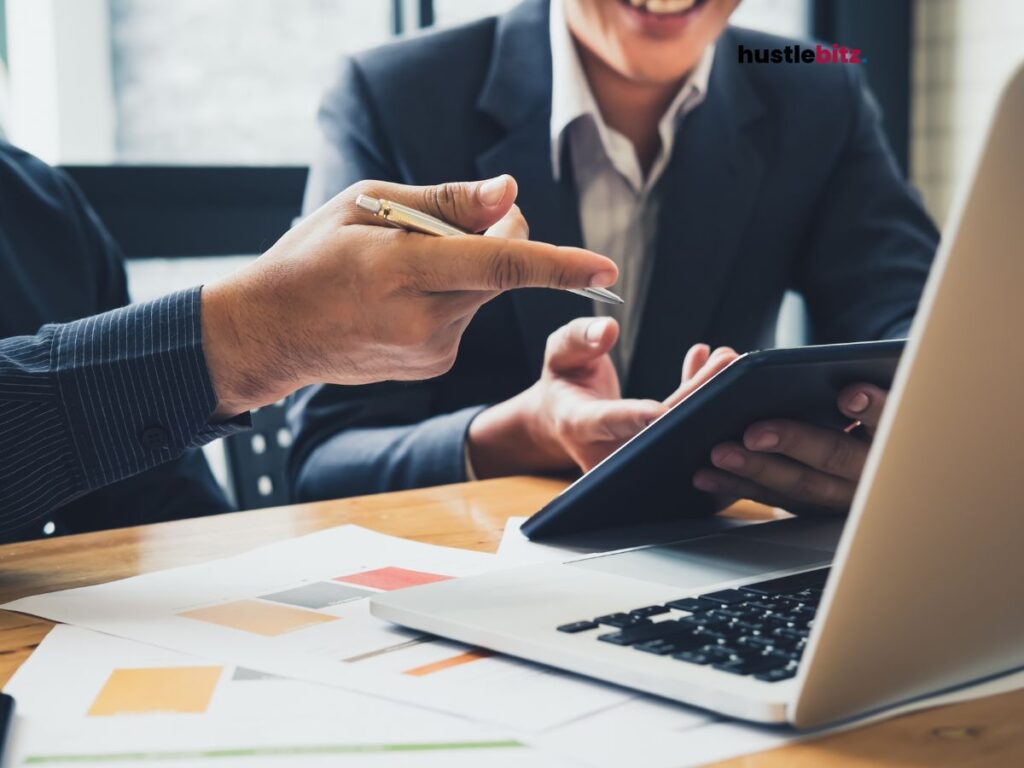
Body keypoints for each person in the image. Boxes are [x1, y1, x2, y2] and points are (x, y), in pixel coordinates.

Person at [290, 0, 938, 514]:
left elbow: (919, 330)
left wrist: (883, 427)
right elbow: (323, 460)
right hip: (465, 575)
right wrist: (524, 435)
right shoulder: (393, 94)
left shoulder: (818, 86)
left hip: (719, 558)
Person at [0, 142, 617, 535]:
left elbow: (161, 507)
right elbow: (323, 458)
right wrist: (243, 337)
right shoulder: (399, 90)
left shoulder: (41, 208)